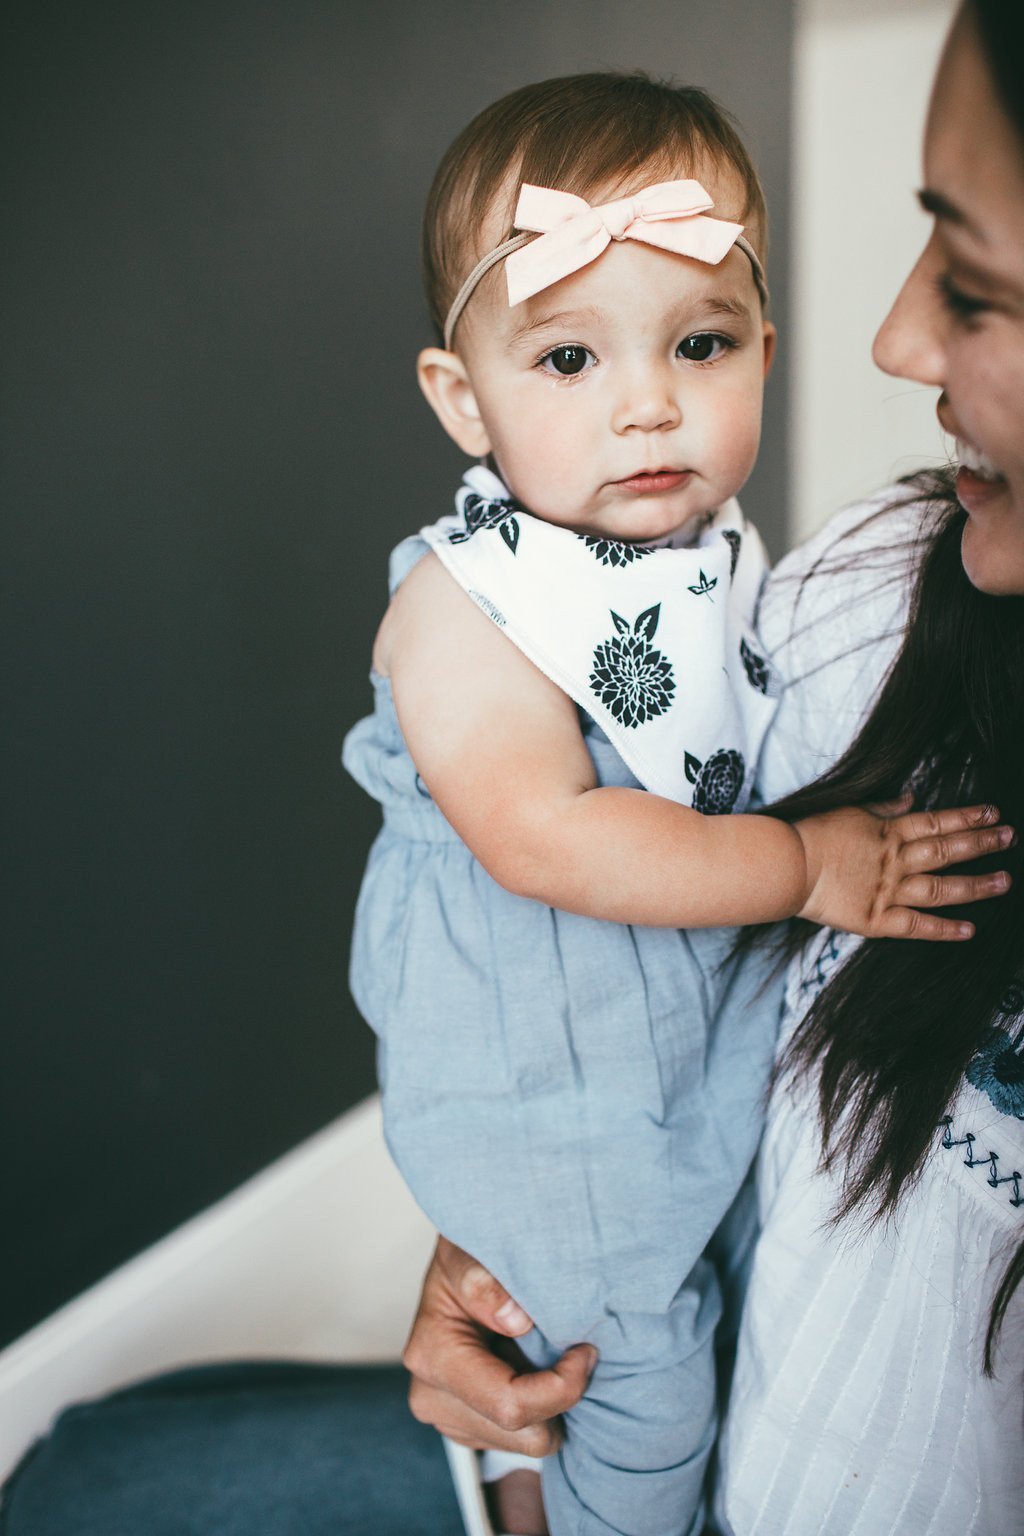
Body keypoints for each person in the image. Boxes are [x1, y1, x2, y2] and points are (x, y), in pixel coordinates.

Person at [342, 71, 1009, 1536]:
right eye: (569, 361)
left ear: (764, 354)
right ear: (463, 401)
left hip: (661, 1079)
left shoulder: (718, 563)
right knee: (643, 1384)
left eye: (699, 345)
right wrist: (805, 868)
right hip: (554, 1089)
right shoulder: (472, 604)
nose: (649, 405)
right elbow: (542, 835)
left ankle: (532, 1479)